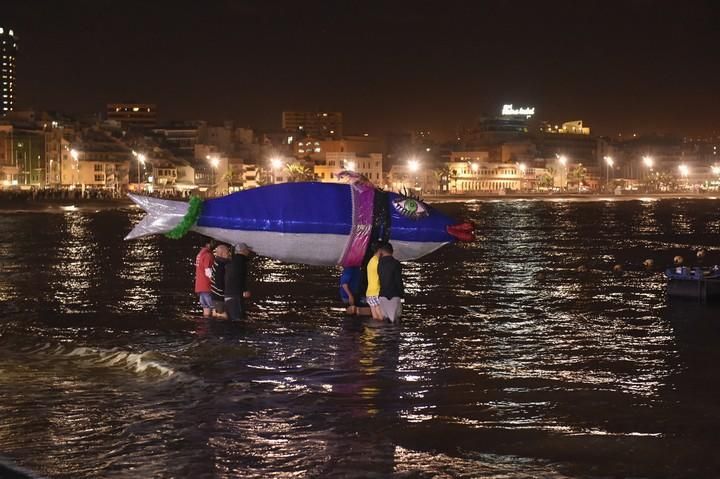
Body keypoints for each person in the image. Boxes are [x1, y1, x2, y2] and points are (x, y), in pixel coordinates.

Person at [377, 242, 404, 323]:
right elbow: (398, 280)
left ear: (382, 251)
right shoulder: (396, 263)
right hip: (394, 295)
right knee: (395, 321)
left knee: (386, 321)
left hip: (382, 295)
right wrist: (401, 293)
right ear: (392, 251)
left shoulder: (379, 263)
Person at [225, 243, 252, 321]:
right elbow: (240, 277)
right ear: (243, 251)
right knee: (238, 321)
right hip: (235, 296)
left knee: (231, 322)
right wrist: (245, 290)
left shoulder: (231, 261)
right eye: (247, 250)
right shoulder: (241, 262)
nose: (248, 252)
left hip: (227, 295)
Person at [195, 237, 217, 317]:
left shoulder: (200, 254)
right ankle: (214, 329)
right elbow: (208, 271)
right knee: (215, 310)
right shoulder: (208, 255)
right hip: (208, 286)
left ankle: (204, 328)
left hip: (200, 287)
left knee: (206, 311)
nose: (214, 244)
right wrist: (216, 282)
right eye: (212, 242)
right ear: (208, 244)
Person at [210, 244, 231, 318]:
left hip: (214, 297)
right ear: (222, 253)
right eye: (227, 252)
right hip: (219, 298)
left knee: (216, 319)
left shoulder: (216, 262)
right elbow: (219, 283)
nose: (229, 254)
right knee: (222, 321)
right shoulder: (221, 266)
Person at [365, 246, 383, 320]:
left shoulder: (371, 261)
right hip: (376, 292)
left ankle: (372, 331)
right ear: (379, 250)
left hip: (369, 293)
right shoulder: (377, 262)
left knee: (375, 318)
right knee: (381, 318)